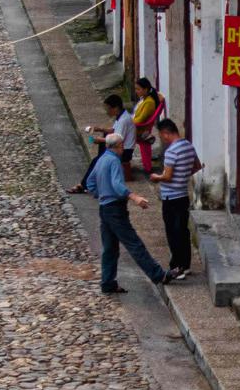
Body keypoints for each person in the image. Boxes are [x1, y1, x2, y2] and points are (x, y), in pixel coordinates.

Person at [83, 131, 166, 293]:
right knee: (134, 243)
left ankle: (107, 282)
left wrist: (101, 194)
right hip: (115, 209)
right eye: (122, 146)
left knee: (110, 248)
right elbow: (117, 185)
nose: (123, 149)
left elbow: (90, 183)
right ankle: (158, 274)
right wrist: (134, 197)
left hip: (104, 208)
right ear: (117, 147)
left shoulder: (101, 160)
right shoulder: (114, 161)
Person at [149, 116, 201, 281]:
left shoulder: (171, 151)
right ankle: (186, 265)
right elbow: (197, 167)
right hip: (183, 195)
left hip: (170, 197)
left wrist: (156, 177)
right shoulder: (188, 146)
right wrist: (183, 175)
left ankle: (176, 267)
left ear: (165, 133)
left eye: (161, 135)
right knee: (183, 231)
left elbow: (168, 177)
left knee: (173, 233)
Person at [68, 95, 135, 192]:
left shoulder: (124, 120)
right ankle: (100, 158)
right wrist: (99, 128)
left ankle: (83, 185)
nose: (107, 111)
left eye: (108, 109)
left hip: (125, 151)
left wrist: (100, 140)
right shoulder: (121, 116)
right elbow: (113, 130)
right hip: (120, 147)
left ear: (115, 108)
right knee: (104, 136)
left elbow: (117, 139)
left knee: (96, 160)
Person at [131, 76, 165, 176]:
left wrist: (128, 122)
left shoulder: (149, 103)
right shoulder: (145, 99)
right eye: (135, 89)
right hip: (137, 127)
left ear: (146, 89)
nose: (136, 91)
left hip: (139, 130)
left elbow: (139, 120)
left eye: (138, 89)